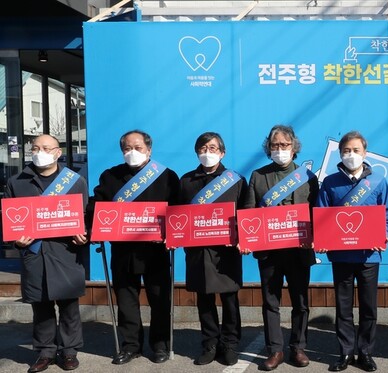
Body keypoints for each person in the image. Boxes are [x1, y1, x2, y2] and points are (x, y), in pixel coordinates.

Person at [89, 129, 179, 365]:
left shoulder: (167, 176)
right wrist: (93, 229)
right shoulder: (110, 176)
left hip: (156, 251)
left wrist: (173, 234)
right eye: (127, 148)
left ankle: (160, 345)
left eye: (138, 148)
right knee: (126, 300)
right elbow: (96, 207)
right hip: (123, 251)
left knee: (160, 300)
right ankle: (131, 346)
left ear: (149, 150)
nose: (132, 152)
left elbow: (178, 212)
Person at [5, 135, 89, 373]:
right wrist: (16, 240)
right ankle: (45, 352)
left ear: (57, 152)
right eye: (35, 148)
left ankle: (69, 351)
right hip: (34, 253)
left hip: (65, 252)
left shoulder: (75, 181)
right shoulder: (16, 181)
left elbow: (84, 218)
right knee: (40, 306)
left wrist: (84, 235)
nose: (39, 151)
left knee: (69, 306)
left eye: (45, 148)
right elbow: (10, 220)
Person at [316, 131, 388, 372]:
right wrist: (321, 239)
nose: (351, 155)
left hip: (369, 256)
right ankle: (345, 352)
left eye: (356, 150)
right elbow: (321, 214)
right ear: (340, 154)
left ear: (365, 153)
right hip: (341, 255)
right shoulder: (329, 183)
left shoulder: (379, 182)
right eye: (346, 151)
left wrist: (384, 235)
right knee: (343, 307)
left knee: (369, 307)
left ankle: (366, 352)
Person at [243, 125, 318, 371]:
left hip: (299, 249)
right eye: (274, 145)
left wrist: (317, 237)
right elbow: (250, 213)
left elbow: (317, 214)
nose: (279, 149)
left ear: (293, 147)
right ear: (268, 148)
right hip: (268, 251)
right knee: (270, 302)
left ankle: (298, 347)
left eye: (284, 145)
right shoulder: (258, 176)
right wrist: (246, 239)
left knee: (300, 302)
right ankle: (275, 350)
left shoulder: (307, 176)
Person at [175, 132, 247, 366]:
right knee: (204, 299)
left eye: (213, 148)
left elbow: (246, 214)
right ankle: (209, 343)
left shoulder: (235, 180)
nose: (208, 152)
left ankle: (230, 343)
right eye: (203, 148)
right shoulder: (186, 181)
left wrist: (243, 238)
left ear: (222, 152)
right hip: (197, 251)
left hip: (226, 251)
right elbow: (177, 215)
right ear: (197, 152)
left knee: (229, 299)